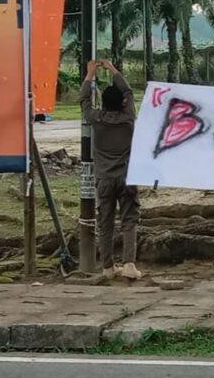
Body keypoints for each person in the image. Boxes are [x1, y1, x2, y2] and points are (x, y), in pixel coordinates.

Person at [81, 59, 142, 280]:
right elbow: (129, 91)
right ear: (122, 103)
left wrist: (90, 74)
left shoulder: (96, 118)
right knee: (129, 220)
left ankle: (107, 267)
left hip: (104, 178)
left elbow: (84, 99)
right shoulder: (128, 119)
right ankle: (129, 264)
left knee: (105, 222)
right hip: (127, 176)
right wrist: (114, 70)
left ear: (103, 104)